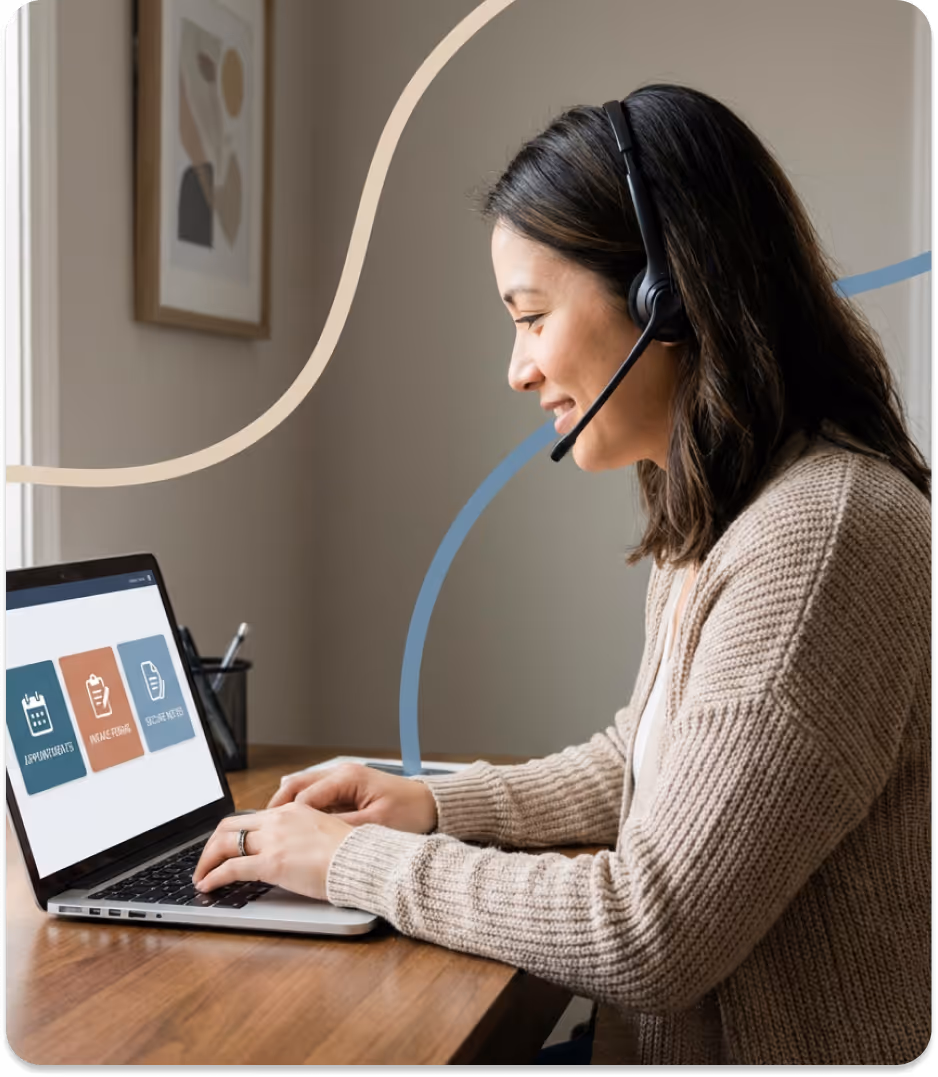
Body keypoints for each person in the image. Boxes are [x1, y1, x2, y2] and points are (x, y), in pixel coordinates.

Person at [192, 85, 931, 1066]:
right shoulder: (741, 512)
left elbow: (650, 932)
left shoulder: (817, 541)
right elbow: (642, 760)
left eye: (531, 316)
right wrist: (429, 802)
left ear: (665, 298)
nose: (517, 368)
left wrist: (354, 863)